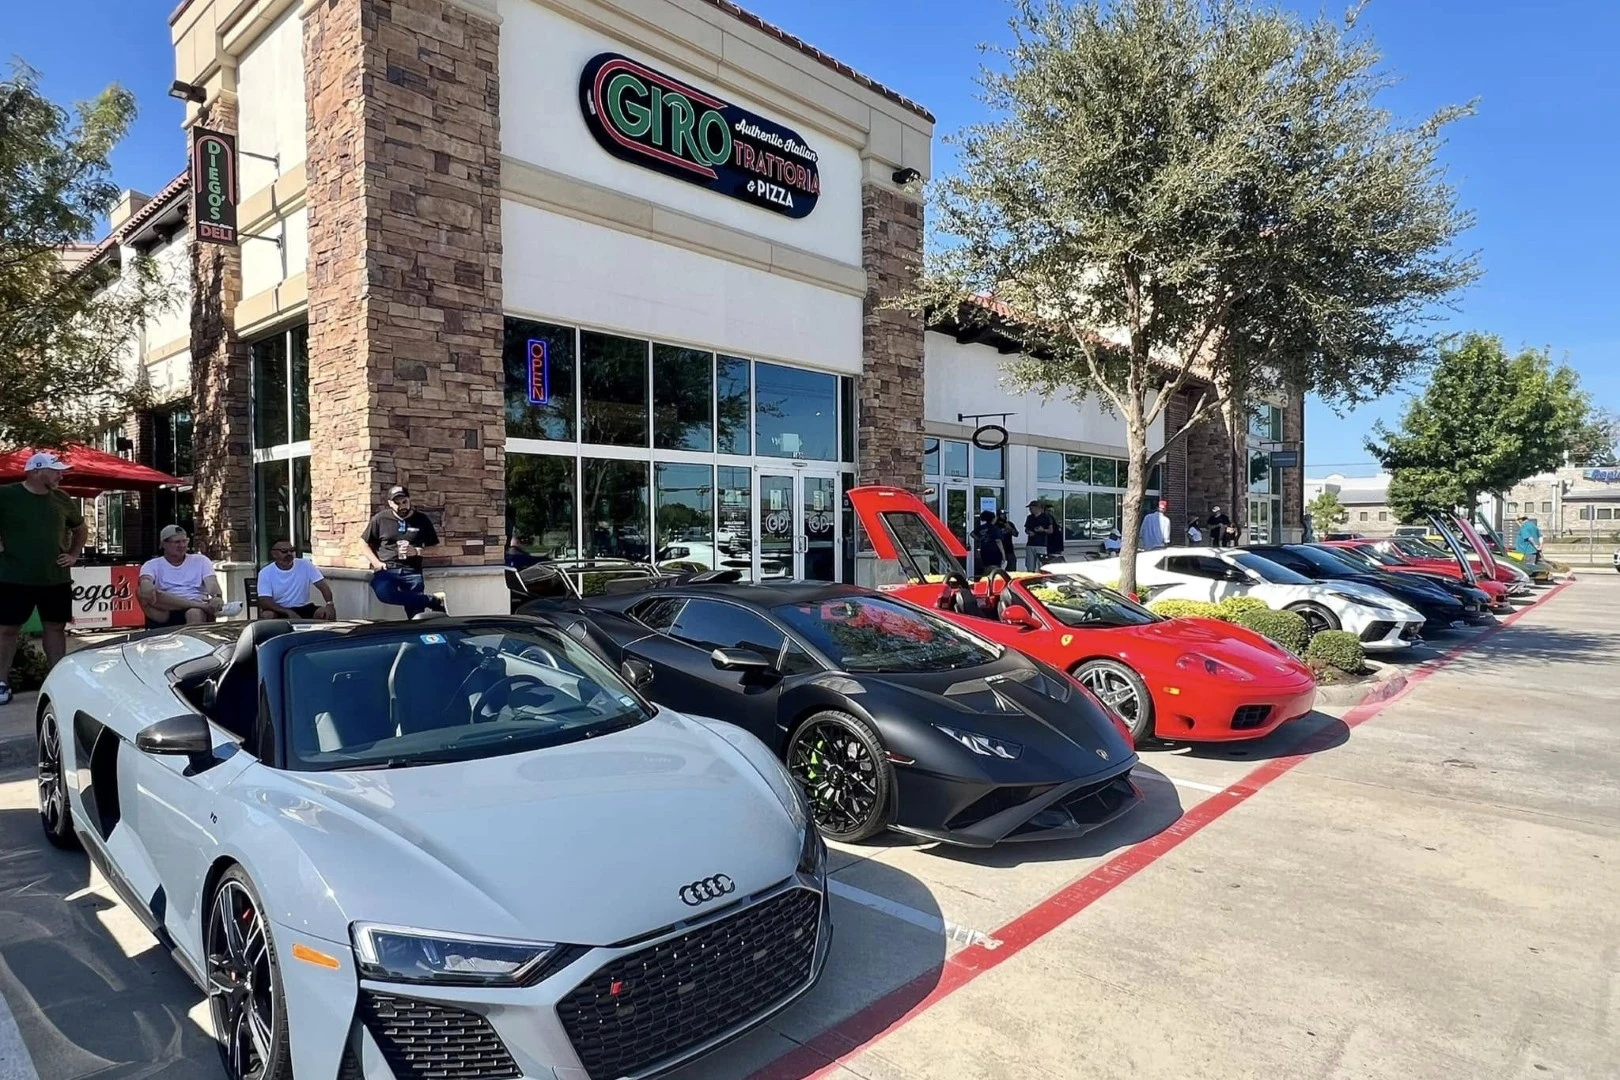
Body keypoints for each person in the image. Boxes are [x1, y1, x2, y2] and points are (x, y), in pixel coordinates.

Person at [0, 452, 87, 705]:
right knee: (7, 630)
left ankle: (57, 681)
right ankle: (1, 682)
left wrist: (73, 555)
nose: (61, 475)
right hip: (13, 576)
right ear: (37, 471)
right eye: (56, 470)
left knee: (56, 627)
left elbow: (80, 528)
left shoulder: (61, 498)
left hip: (55, 577)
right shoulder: (7, 494)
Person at [361, 486, 447, 618]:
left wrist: (417, 551)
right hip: (387, 569)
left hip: (411, 570)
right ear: (390, 503)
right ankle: (432, 601)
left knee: (416, 614)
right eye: (397, 503)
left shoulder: (421, 520)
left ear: (409, 500)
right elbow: (363, 543)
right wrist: (376, 563)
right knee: (384, 594)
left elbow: (436, 548)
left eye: (404, 502)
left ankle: (417, 633)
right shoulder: (380, 519)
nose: (402, 506)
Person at [139, 525, 227, 627]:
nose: (182, 545)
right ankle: (201, 606)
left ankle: (193, 640)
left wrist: (217, 597)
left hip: (195, 607)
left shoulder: (201, 560)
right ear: (164, 544)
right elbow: (146, 580)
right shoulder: (152, 564)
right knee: (141, 591)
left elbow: (212, 583)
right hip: (166, 609)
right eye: (177, 542)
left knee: (194, 613)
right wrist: (146, 584)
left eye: (185, 541)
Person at [256, 540, 336, 619]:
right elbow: (265, 601)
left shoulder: (305, 564)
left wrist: (329, 604)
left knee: (326, 613)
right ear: (274, 554)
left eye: (292, 551)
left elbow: (322, 585)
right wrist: (288, 612)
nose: (289, 554)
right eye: (284, 551)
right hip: (279, 609)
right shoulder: (265, 572)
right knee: (267, 615)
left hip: (303, 607)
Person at [971, 510, 1007, 577]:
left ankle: (985, 580)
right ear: (993, 519)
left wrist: (979, 539)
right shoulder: (995, 528)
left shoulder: (981, 527)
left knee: (986, 568)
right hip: (994, 552)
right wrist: (1003, 554)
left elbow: (972, 534)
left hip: (984, 551)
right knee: (995, 569)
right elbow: (998, 541)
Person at [1023, 500, 1056, 571]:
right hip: (1030, 544)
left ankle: (1041, 579)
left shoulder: (1046, 517)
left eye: (1031, 508)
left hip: (1041, 544)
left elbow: (1051, 530)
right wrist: (1029, 532)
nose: (1030, 510)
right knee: (1030, 566)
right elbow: (1026, 529)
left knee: (1041, 565)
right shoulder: (1029, 517)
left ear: (1037, 508)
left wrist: (1043, 530)